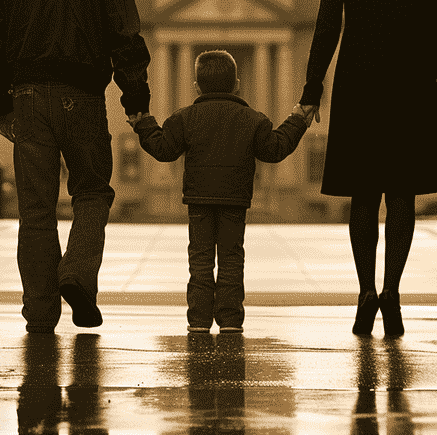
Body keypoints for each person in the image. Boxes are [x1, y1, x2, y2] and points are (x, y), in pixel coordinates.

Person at [0, 0, 151, 334]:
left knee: (35, 208)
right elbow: (125, 34)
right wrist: (136, 100)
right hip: (85, 97)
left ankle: (40, 311)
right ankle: (76, 273)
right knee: (92, 192)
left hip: (28, 97)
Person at [297, 0, 437, 337]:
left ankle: (365, 291)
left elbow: (328, 25)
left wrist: (312, 89)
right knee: (402, 193)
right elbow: (436, 23)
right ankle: (392, 292)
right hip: (408, 80)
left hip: (360, 80)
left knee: (364, 193)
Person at [128, 49, 312, 334]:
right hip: (235, 199)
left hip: (199, 199)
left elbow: (163, 150)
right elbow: (275, 150)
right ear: (236, 84)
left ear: (197, 86)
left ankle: (199, 320)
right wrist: (297, 120)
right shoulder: (254, 119)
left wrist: (144, 124)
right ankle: (230, 319)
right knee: (231, 258)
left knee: (200, 259)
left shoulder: (185, 117)